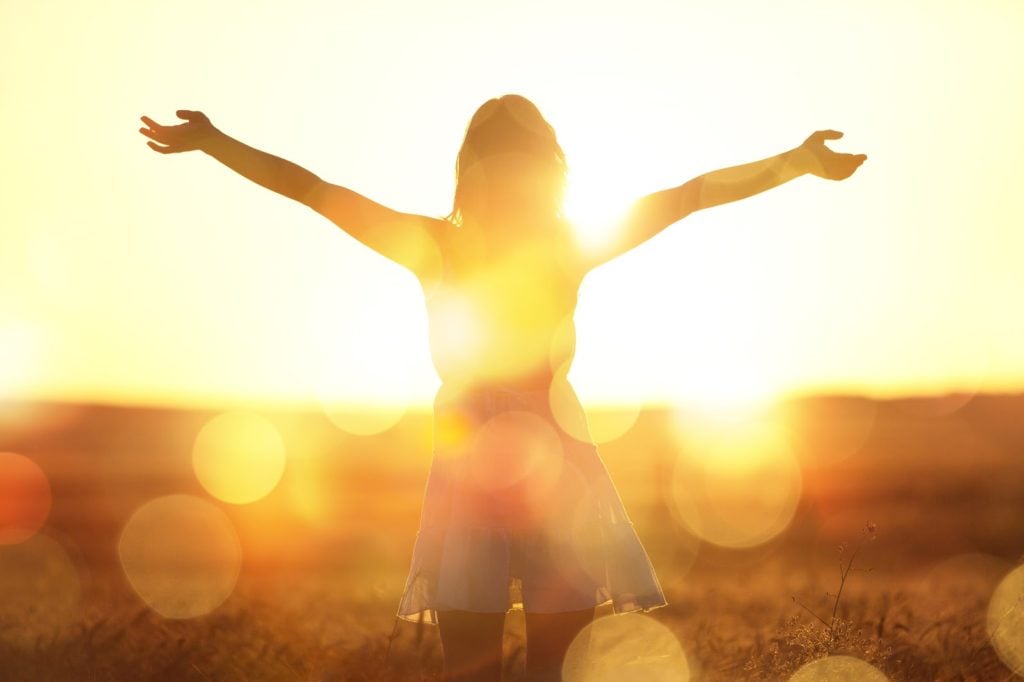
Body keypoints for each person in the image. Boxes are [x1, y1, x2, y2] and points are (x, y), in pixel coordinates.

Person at [139, 94, 866, 681]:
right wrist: (216, 143)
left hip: (554, 477)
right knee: (476, 666)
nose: (514, 182)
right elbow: (316, 193)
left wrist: (796, 163)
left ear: (542, 175)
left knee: (544, 666)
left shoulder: (546, 247)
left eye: (525, 166)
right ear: (479, 174)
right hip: (478, 476)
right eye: (503, 165)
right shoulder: (450, 246)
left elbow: (687, 197)